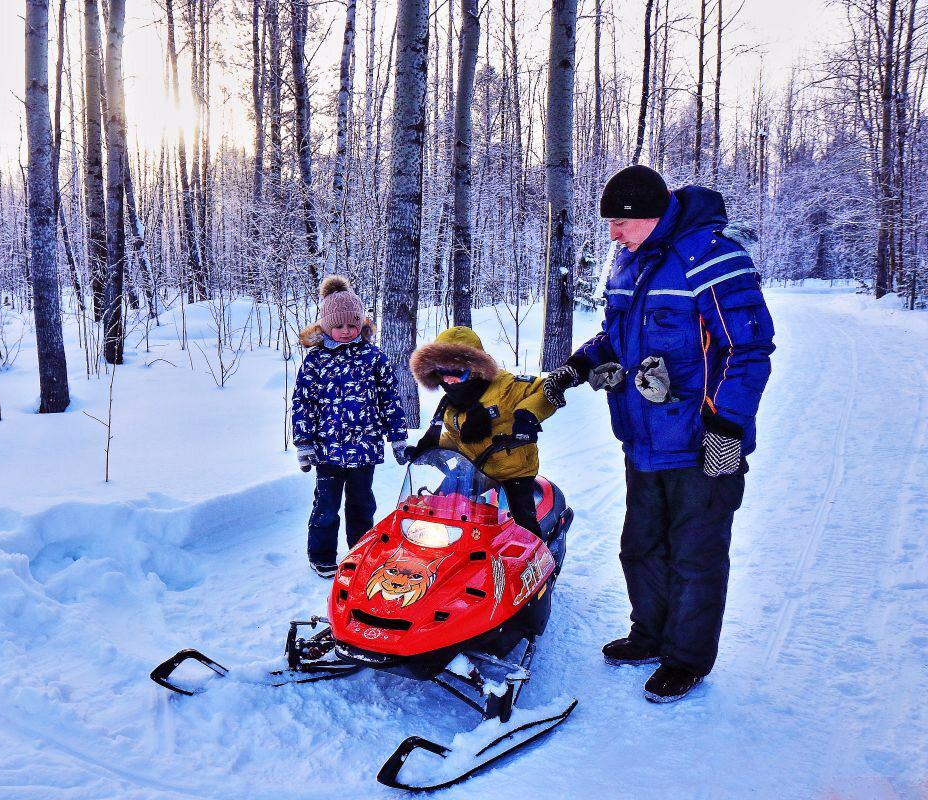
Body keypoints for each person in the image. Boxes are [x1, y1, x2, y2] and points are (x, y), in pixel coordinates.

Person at [541, 164, 775, 703]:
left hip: (702, 444)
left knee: (696, 554)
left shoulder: (713, 258)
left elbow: (747, 351)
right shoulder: (630, 264)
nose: (612, 235)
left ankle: (686, 659)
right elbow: (614, 337)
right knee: (641, 546)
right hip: (644, 439)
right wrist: (576, 368)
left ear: (648, 215)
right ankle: (649, 635)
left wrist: (725, 427)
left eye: (619, 223)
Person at [292, 276, 409, 578]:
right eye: (339, 325)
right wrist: (304, 444)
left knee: (361, 505)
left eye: (352, 325)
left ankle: (360, 551)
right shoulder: (316, 361)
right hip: (327, 451)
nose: (346, 331)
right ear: (326, 326)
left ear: (362, 324)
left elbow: (390, 400)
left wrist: (398, 438)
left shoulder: (373, 358)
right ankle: (321, 554)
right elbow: (303, 403)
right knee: (326, 506)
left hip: (364, 448)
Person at [407, 326, 558, 536]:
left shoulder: (505, 387)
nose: (449, 380)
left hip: (512, 470)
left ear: (476, 370)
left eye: (457, 373)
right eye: (442, 372)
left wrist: (528, 416)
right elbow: (454, 436)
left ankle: (536, 560)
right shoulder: (451, 402)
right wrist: (430, 449)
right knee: (437, 508)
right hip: (473, 469)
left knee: (522, 525)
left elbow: (546, 389)